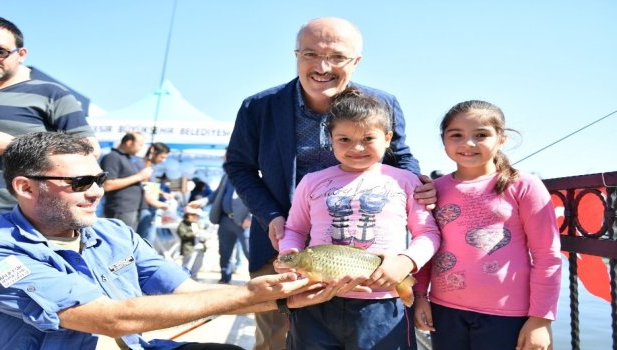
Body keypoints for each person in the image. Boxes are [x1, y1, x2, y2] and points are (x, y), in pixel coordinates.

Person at [0, 131, 368, 350]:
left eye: (99, 180)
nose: (97, 192)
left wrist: (284, 297)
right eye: (81, 182)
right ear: (25, 188)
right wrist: (249, 297)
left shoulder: (112, 232)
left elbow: (189, 292)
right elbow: (112, 318)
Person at [223, 16, 437, 349]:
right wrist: (273, 217)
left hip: (366, 260)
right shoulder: (257, 107)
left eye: (337, 57)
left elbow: (401, 159)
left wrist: (420, 186)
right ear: (296, 55)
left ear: (356, 61)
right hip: (283, 245)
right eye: (310, 54)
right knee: (275, 339)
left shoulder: (384, 104)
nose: (322, 67)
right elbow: (239, 166)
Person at [277, 89, 441, 349]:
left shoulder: (406, 181)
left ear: (387, 138)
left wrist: (405, 262)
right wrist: (290, 257)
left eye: (368, 138)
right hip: (317, 299)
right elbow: (295, 229)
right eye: (344, 139)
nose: (356, 148)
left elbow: (428, 234)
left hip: (383, 305)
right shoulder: (311, 182)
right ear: (330, 139)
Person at [412, 100, 562, 350]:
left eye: (481, 135)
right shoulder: (434, 191)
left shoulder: (524, 185)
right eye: (456, 135)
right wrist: (420, 297)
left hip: (507, 314)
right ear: (444, 140)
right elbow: (426, 246)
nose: (468, 143)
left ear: (501, 138)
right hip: (445, 310)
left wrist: (540, 319)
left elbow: (547, 255)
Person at [0, 15, 99, 243]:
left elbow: (89, 150)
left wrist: (11, 146)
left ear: (21, 54)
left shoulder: (51, 94)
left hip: (18, 217)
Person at [189, 173, 251, 284]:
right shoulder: (227, 175)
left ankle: (258, 280)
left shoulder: (253, 173)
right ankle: (225, 279)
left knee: (250, 252)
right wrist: (201, 202)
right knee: (224, 252)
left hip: (243, 222)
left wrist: (250, 217)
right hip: (225, 219)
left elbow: (259, 198)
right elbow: (216, 194)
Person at [100, 131, 152, 230]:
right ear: (129, 142)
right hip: (121, 209)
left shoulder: (128, 158)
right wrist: (139, 176)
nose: (141, 148)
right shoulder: (112, 157)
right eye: (140, 145)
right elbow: (107, 185)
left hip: (132, 208)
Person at [135, 142, 172, 242]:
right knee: (143, 240)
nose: (163, 160)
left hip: (151, 208)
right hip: (144, 208)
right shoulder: (140, 165)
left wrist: (161, 193)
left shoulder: (151, 166)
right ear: (153, 151)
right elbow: (143, 188)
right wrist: (159, 204)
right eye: (162, 157)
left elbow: (150, 185)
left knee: (149, 241)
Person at [177, 206, 207, 279]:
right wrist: (193, 234)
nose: (195, 217)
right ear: (187, 215)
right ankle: (184, 278)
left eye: (197, 215)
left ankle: (194, 276)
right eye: (193, 215)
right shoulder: (183, 224)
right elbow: (182, 234)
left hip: (200, 247)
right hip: (189, 248)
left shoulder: (198, 224)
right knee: (187, 264)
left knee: (198, 263)